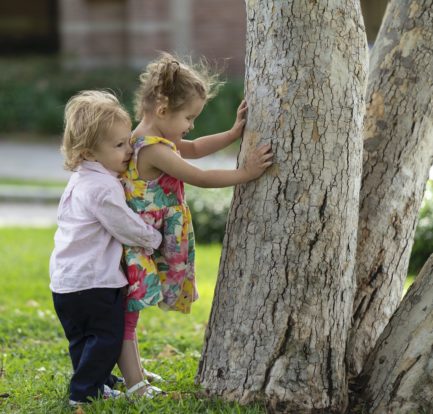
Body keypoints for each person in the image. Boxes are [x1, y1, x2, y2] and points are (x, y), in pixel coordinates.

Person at [118, 52, 273, 397]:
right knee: (127, 314)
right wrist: (245, 174)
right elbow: (200, 177)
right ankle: (134, 383)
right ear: (162, 110)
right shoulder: (152, 149)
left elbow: (197, 148)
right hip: (139, 243)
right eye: (188, 117)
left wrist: (234, 132)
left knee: (131, 313)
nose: (190, 126)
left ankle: (136, 371)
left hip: (146, 239)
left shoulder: (153, 140)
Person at [49, 90, 162, 406]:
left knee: (83, 340)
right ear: (88, 151)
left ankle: (96, 383)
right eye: (119, 145)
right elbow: (123, 224)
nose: (129, 149)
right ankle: (83, 394)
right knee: (107, 338)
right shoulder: (100, 189)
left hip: (66, 282)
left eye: (128, 141)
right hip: (93, 281)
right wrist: (153, 238)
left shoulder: (82, 178)